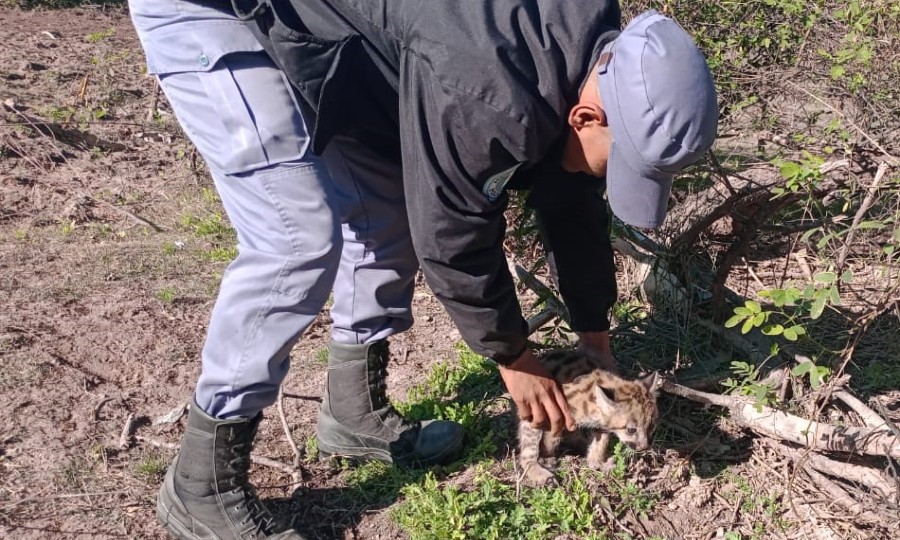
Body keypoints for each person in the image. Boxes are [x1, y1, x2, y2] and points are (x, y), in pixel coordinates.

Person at [128, 0, 717, 538]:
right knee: (297, 238)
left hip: (349, 35)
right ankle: (201, 486)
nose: (607, 180)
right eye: (615, 167)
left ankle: (352, 415)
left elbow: (571, 199)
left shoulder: (588, 48)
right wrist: (512, 356)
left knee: (385, 215)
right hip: (218, 12)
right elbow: (451, 228)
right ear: (586, 115)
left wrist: (594, 333)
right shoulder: (488, 88)